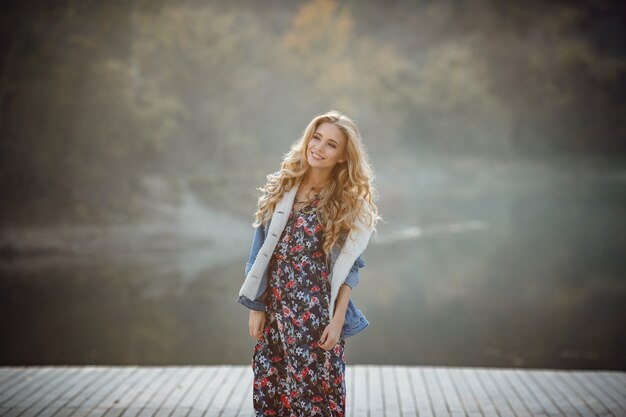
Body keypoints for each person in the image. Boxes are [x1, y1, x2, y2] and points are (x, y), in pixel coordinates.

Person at [237, 110, 381, 416]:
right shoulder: (282, 186)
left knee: (314, 401)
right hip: (275, 312)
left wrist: (338, 320)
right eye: (316, 138)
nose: (319, 147)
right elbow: (260, 253)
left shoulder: (345, 201)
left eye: (331, 144)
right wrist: (256, 307)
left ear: (343, 156)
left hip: (315, 317)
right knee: (272, 395)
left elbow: (349, 268)